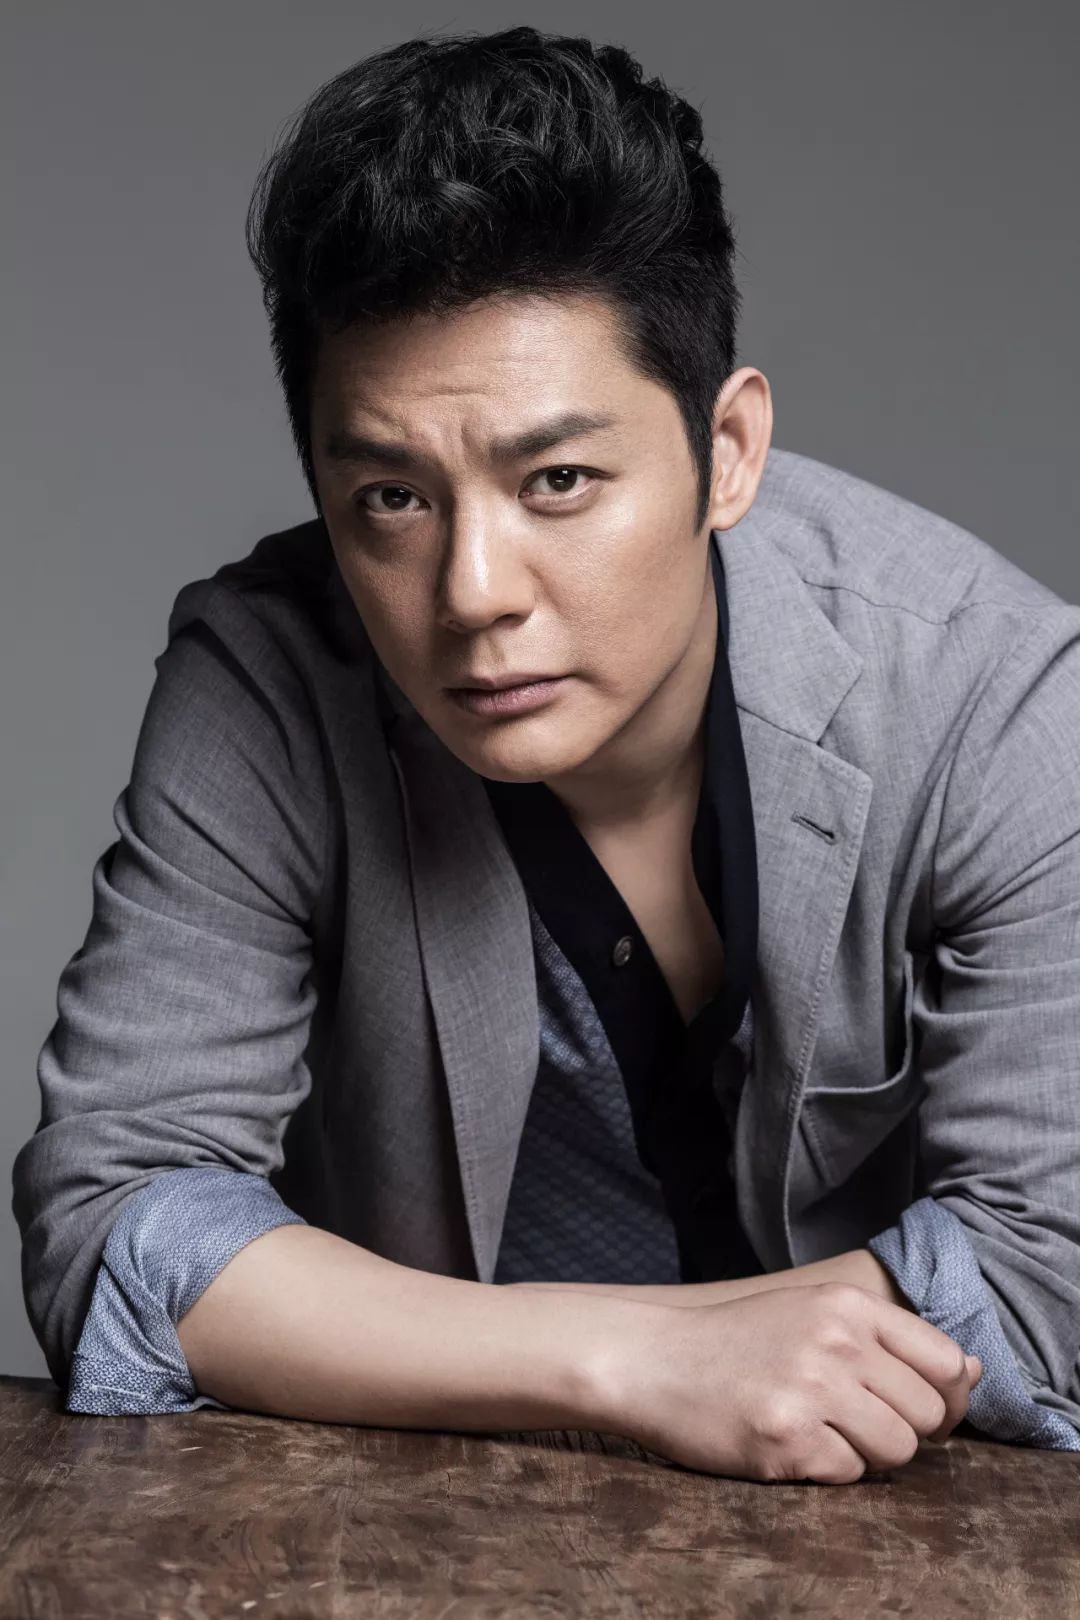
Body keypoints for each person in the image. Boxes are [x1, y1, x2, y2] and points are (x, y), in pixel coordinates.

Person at [12, 24, 1080, 1485]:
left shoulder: (993, 696)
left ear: (729, 451)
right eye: (393, 498)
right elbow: (119, 1222)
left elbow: (1045, 1275)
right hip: (425, 1528)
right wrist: (630, 1363)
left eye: (559, 479)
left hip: (902, 1533)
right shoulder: (272, 675)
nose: (471, 594)